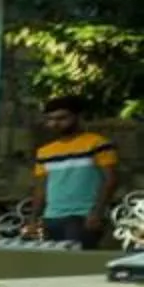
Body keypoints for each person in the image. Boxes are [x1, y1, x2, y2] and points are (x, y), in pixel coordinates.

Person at [32, 98, 118, 248]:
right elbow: (41, 188)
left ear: (77, 117)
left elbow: (110, 180)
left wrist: (97, 212)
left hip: (83, 216)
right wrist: (33, 218)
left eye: (62, 118)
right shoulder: (44, 152)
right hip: (52, 217)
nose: (56, 123)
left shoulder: (97, 143)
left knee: (79, 258)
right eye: (51, 119)